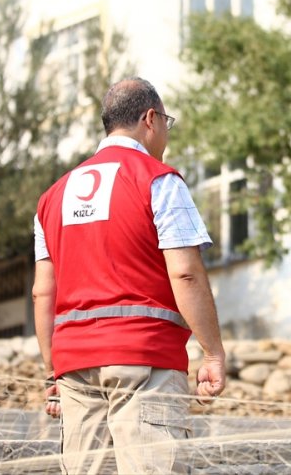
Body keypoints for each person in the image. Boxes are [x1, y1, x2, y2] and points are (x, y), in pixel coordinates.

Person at [32, 77, 226, 475]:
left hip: (75, 368)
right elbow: (186, 273)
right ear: (150, 119)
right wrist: (213, 353)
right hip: (144, 362)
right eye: (166, 124)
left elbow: (42, 292)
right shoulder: (159, 180)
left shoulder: (53, 196)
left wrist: (53, 368)